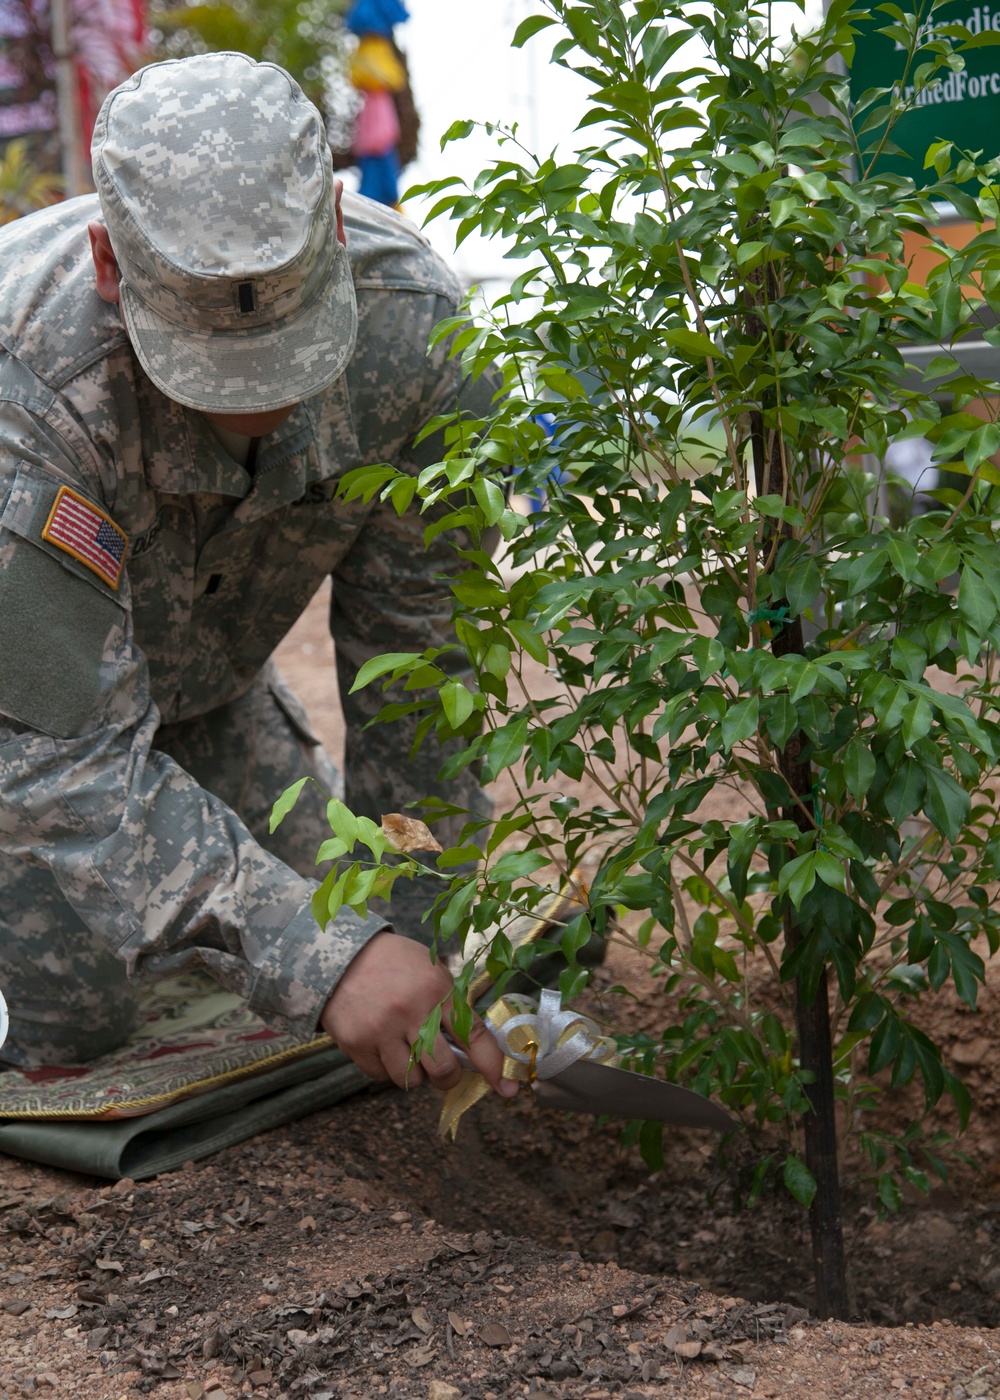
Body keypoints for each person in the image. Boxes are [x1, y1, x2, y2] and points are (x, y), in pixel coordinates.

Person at [0, 50, 517, 1103]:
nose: (258, 403)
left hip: (202, 697)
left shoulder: (415, 335)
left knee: (350, 926)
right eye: (212, 363)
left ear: (334, 220)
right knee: (75, 1021)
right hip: (30, 730)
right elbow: (57, 769)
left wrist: (416, 946)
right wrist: (325, 963)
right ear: (109, 262)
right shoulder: (22, 381)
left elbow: (420, 672)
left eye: (287, 351)